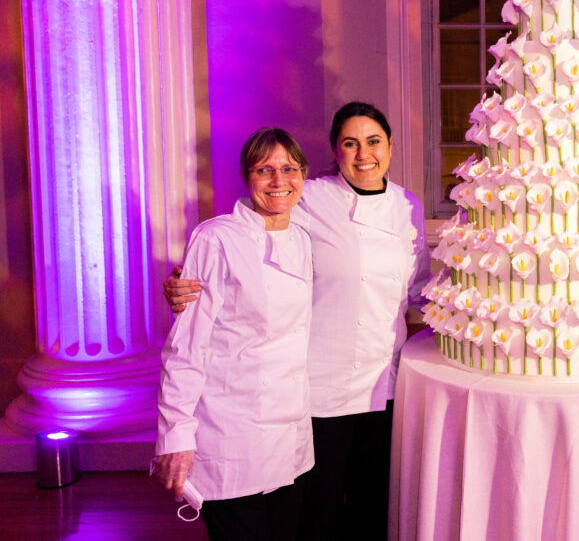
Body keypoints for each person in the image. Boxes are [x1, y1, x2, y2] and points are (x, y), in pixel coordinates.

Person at [164, 102, 431, 539]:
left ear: (390, 145)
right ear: (334, 151)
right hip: (319, 387)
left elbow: (416, 289)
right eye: (350, 143)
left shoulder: (408, 205)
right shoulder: (308, 196)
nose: (364, 154)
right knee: (317, 514)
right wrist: (181, 283)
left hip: (383, 386)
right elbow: (246, 237)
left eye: (373, 141)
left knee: (371, 508)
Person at [153, 127, 314, 541]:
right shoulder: (215, 237)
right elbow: (186, 348)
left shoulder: (302, 237)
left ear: (304, 175)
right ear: (247, 176)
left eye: (289, 169)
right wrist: (176, 437)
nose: (279, 181)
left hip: (289, 431)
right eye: (265, 170)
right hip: (232, 433)